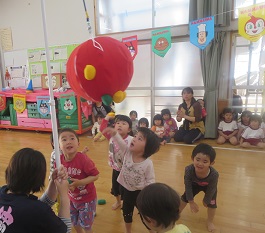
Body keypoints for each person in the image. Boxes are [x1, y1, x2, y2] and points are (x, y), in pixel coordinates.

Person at [102, 126, 160, 233]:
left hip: (140, 194)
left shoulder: (147, 163)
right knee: (127, 212)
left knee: (145, 215)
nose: (134, 138)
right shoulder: (127, 152)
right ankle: (128, 231)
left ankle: (152, 230)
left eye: (139, 139)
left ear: (147, 148)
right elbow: (121, 143)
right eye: (135, 136)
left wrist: (149, 196)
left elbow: (150, 181)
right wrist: (115, 134)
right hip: (127, 190)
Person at [0, 147, 71, 233]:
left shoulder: (3, 191)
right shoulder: (36, 211)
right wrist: (64, 196)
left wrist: (53, 181)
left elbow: (37, 208)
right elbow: (64, 230)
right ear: (38, 179)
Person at [58, 128, 99, 233]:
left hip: (87, 199)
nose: (69, 141)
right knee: (74, 221)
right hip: (71, 198)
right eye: (64, 139)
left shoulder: (83, 159)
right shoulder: (59, 161)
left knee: (86, 225)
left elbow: (96, 175)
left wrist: (79, 183)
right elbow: (60, 179)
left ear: (78, 144)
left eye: (72, 138)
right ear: (58, 146)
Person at [179, 143, 218, 233]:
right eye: (198, 159)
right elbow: (187, 186)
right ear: (193, 158)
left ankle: (210, 221)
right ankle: (176, 214)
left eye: (205, 162)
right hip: (194, 184)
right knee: (184, 198)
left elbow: (212, 188)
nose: (200, 164)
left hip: (208, 187)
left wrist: (206, 200)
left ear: (211, 163)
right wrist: (191, 201)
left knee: (212, 204)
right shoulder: (188, 169)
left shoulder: (214, 174)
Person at [100, 114, 133, 210]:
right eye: (117, 123)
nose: (119, 125)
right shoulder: (111, 136)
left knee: (125, 189)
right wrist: (106, 118)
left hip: (127, 170)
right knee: (115, 188)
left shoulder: (131, 140)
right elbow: (103, 129)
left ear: (129, 129)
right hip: (115, 168)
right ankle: (118, 201)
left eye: (123, 123)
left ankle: (125, 202)